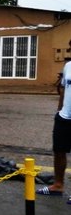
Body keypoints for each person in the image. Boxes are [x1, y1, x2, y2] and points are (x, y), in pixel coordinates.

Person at [36, 56, 71, 205]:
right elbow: (63, 88)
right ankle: (58, 185)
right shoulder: (68, 65)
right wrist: (59, 110)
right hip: (64, 116)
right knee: (59, 151)